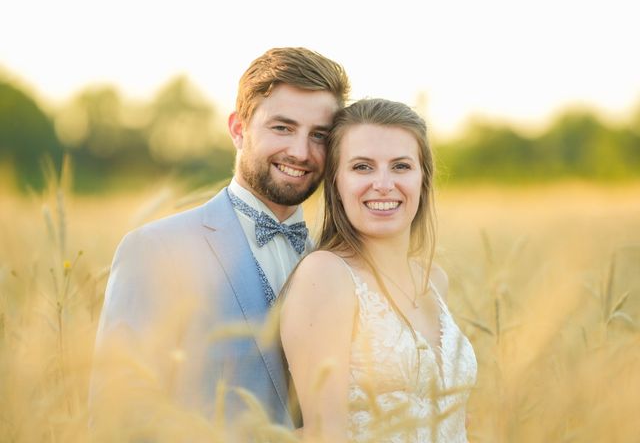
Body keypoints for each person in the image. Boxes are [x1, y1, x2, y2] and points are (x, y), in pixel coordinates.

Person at [90, 47, 350, 436]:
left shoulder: (334, 263)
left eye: (319, 136)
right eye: (282, 127)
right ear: (238, 128)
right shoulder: (156, 250)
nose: (300, 151)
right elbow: (119, 413)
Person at [280, 99, 477, 442]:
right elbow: (325, 435)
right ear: (336, 184)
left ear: (423, 179)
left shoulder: (433, 280)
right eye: (362, 167)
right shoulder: (326, 275)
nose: (384, 184)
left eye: (401, 166)